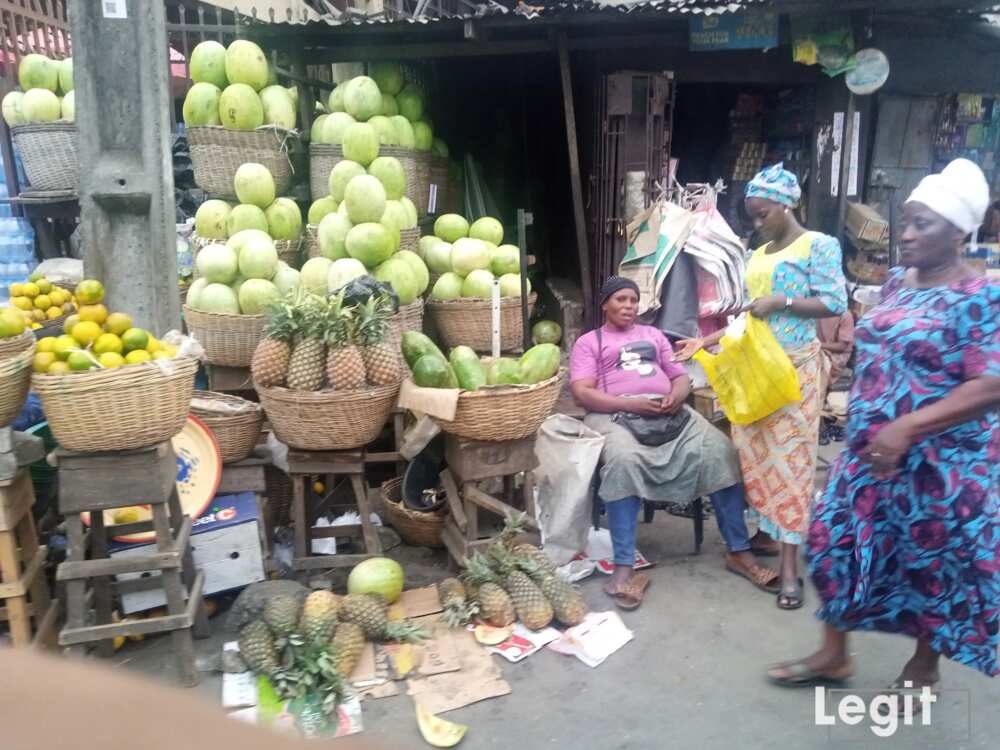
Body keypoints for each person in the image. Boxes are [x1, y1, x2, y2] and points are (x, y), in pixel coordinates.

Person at [766, 158, 1000, 689]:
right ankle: (834, 654)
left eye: (924, 224)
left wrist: (906, 428)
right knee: (833, 544)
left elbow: (990, 384)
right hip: (868, 456)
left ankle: (922, 669)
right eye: (908, 221)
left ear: (961, 231)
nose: (908, 234)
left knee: (931, 566)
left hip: (940, 466)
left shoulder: (982, 297)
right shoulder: (897, 282)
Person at [674, 163, 848, 609]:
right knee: (754, 458)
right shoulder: (758, 253)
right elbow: (750, 315)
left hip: (795, 374)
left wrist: (785, 302)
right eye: (752, 215)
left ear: (786, 205)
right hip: (756, 368)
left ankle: (791, 568)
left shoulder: (819, 245)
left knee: (792, 466)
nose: (757, 223)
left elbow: (835, 301)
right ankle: (766, 535)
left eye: (762, 213)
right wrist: (706, 340)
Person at [570, 276, 779, 609]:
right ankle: (624, 565)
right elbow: (583, 393)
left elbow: (680, 376)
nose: (628, 306)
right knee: (624, 462)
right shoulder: (589, 342)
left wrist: (676, 396)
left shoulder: (653, 336)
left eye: (633, 300)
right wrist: (629, 403)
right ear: (605, 304)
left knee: (719, 451)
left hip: (667, 409)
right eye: (621, 299)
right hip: (614, 412)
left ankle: (740, 552)